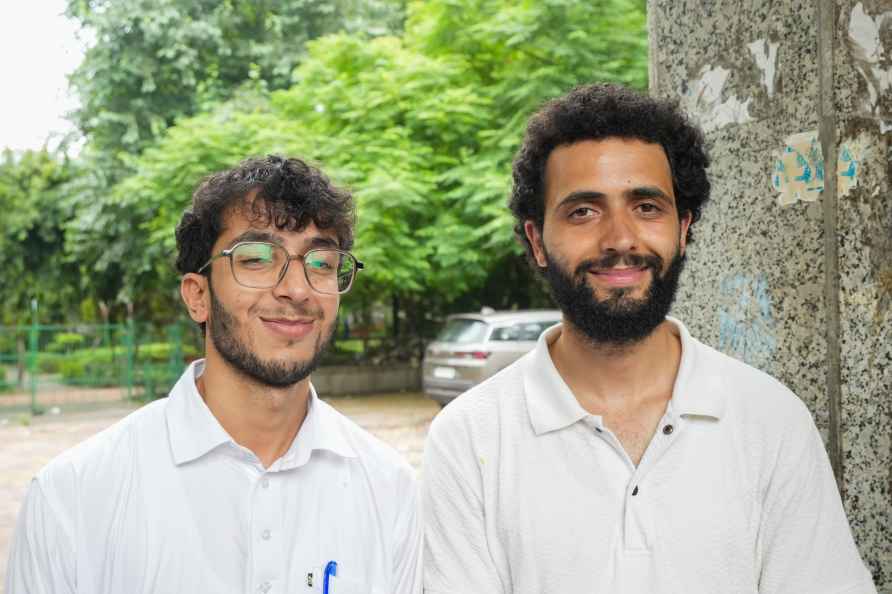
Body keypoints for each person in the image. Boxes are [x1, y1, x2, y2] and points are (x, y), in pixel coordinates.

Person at [422, 84, 876, 594]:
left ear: (683, 228)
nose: (620, 239)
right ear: (537, 241)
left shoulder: (770, 422)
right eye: (583, 211)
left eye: (646, 207)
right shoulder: (469, 437)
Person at [6, 155, 422, 594]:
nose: (297, 289)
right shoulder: (74, 495)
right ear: (198, 296)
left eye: (321, 263)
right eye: (258, 258)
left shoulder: (388, 487)